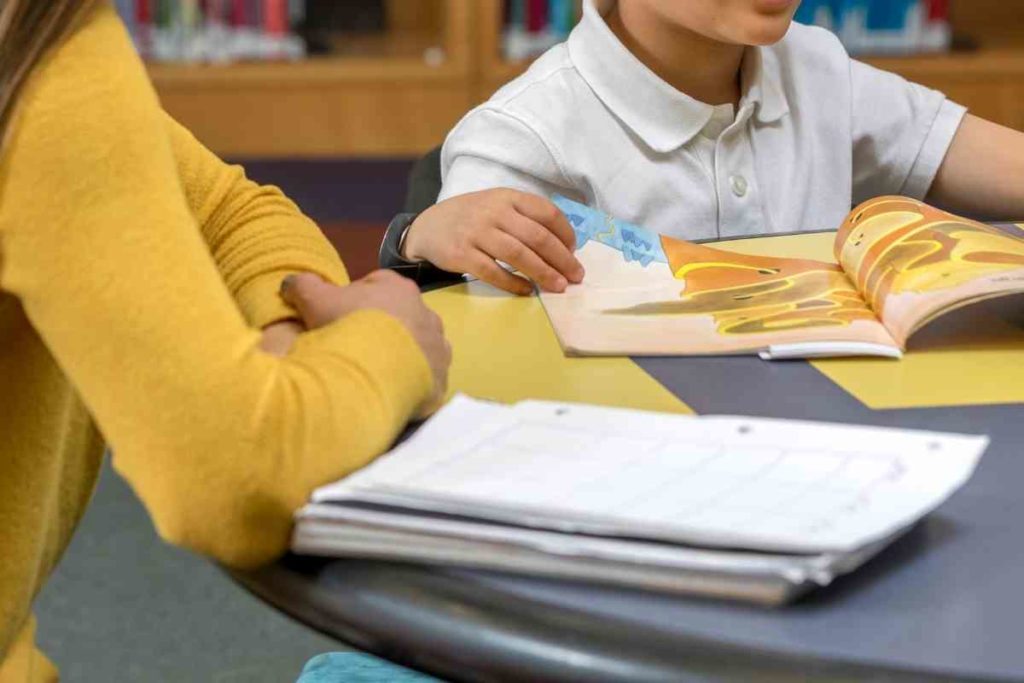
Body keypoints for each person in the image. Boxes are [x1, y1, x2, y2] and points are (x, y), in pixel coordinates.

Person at [0, 1, 450, 679]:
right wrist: (389, 336)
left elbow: (226, 209)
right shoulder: (42, 59)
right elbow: (238, 480)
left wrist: (289, 329)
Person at [388, 0, 1024, 296]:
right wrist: (425, 235)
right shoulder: (522, 134)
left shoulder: (818, 66)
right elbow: (459, 316)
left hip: (820, 438)